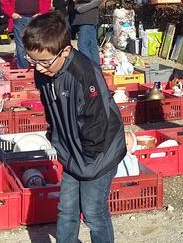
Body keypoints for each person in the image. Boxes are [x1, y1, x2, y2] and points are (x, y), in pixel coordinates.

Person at [23, 12, 126, 242]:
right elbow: (50, 107)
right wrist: (56, 138)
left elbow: (97, 121)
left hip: (98, 153)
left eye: (44, 62)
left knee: (93, 211)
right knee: (67, 208)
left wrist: (87, 157)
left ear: (65, 51)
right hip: (71, 150)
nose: (38, 68)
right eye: (32, 61)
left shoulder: (83, 74)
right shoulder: (44, 70)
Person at [0, 0, 51, 69]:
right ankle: (23, 69)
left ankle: (38, 67)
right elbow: (4, 1)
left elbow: (46, 0)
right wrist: (12, 13)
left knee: (38, 44)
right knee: (21, 46)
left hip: (36, 19)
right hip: (20, 18)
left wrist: (41, 13)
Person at [70, 0, 101, 65]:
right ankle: (96, 66)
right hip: (91, 19)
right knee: (92, 45)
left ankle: (88, 66)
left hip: (86, 19)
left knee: (82, 45)